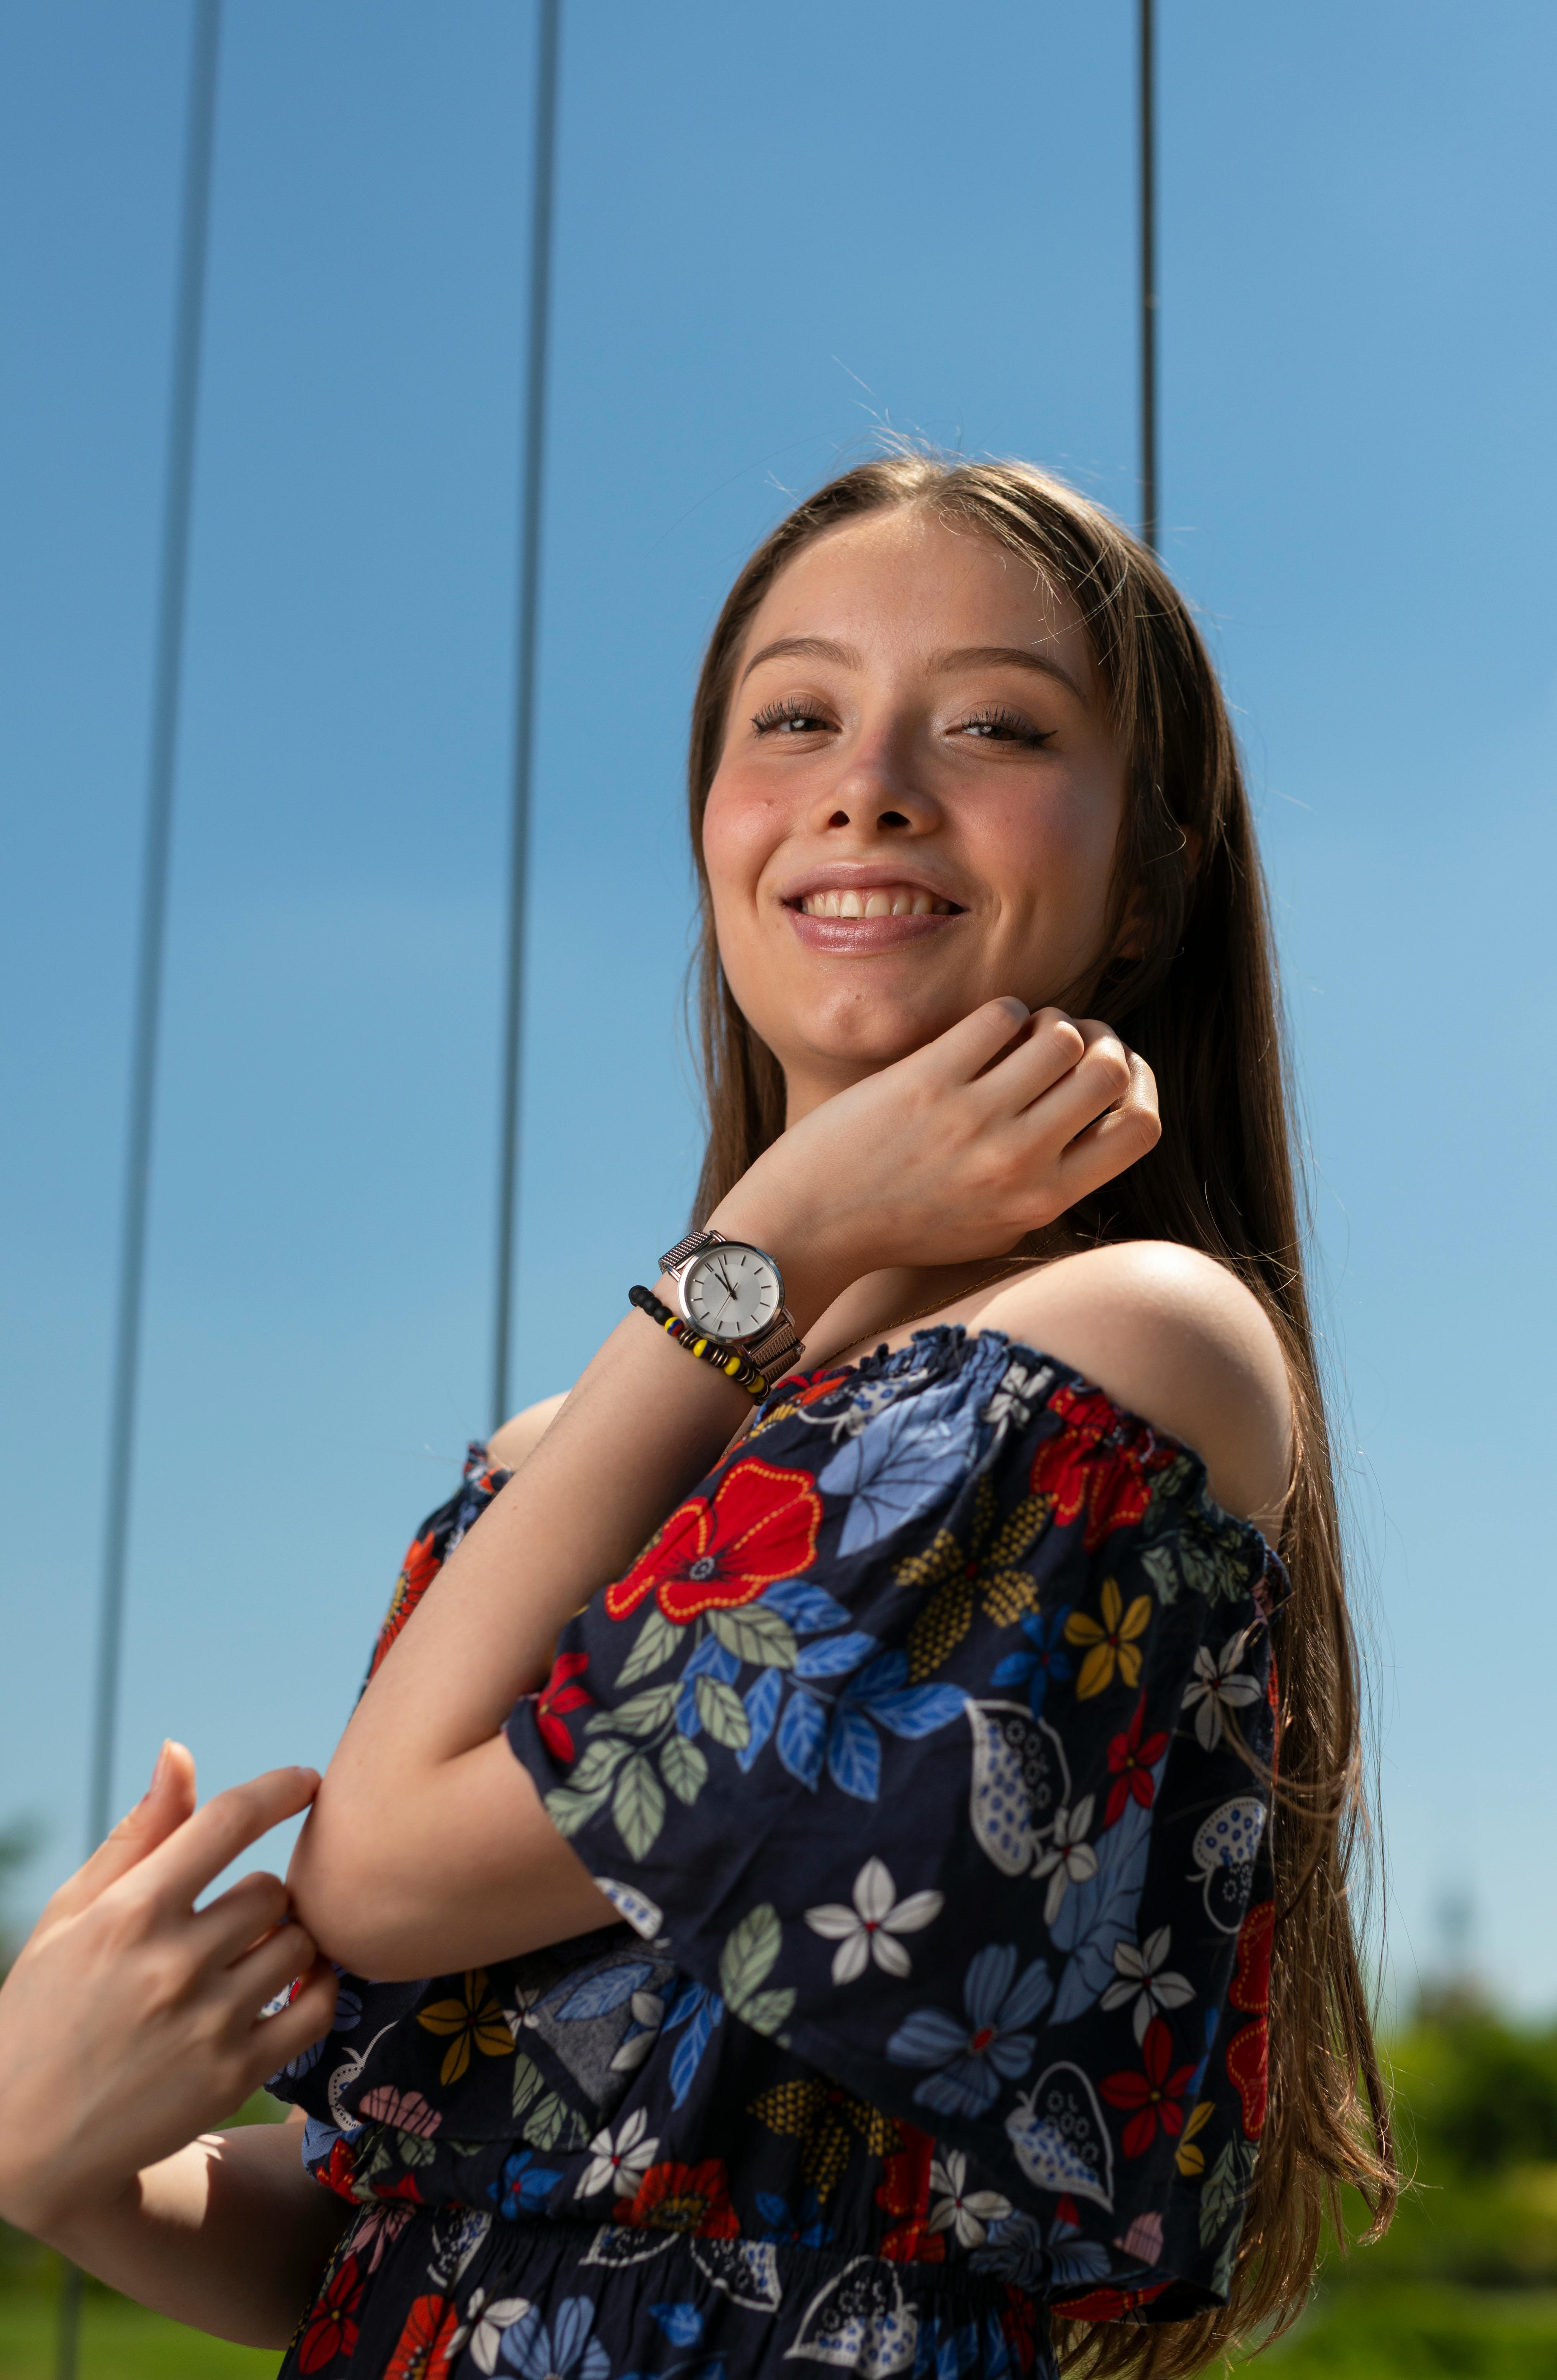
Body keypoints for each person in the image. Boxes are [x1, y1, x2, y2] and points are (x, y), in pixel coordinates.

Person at [0, 456, 1397, 2378]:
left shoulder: (1126, 1355)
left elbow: (381, 1877)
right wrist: (61, 2157)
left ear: (1153, 869)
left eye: (993, 723)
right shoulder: (586, 1436)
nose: (868, 783)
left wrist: (768, 1235)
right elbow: (423, 2231)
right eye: (796, 716)